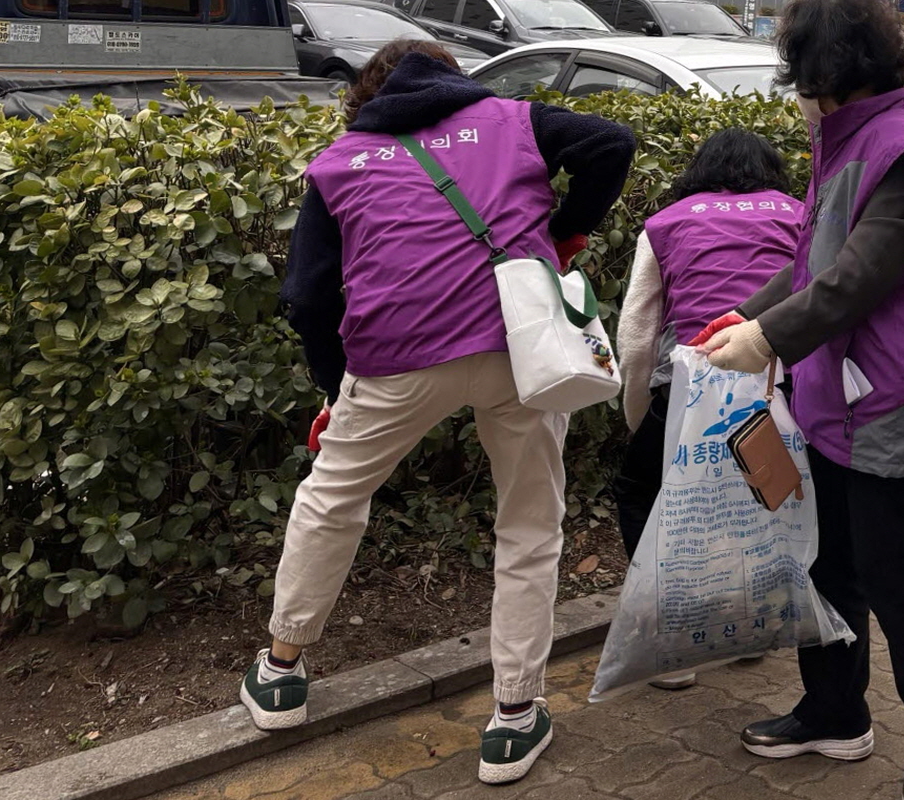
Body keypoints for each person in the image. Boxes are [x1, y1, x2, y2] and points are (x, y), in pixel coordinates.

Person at [249, 40, 634, 786]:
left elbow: (305, 297)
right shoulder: (510, 119)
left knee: (332, 499)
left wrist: (336, 389)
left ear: (366, 97)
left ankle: (280, 671)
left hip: (395, 357)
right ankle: (515, 717)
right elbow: (610, 143)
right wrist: (562, 237)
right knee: (528, 524)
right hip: (520, 351)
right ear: (453, 82)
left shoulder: (340, 162)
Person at [695, 0, 904, 800]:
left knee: (898, 574)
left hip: (893, 400)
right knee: (824, 566)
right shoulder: (845, 138)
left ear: (838, 71)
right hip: (832, 397)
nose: (804, 96)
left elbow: (859, 277)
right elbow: (813, 262)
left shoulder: (902, 150)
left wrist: (764, 339)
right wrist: (744, 314)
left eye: (809, 77)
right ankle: (834, 712)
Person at [608, 127, 803, 688]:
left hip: (694, 382)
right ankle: (751, 626)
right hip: (778, 376)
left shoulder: (669, 221)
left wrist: (641, 410)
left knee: (645, 489)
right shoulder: (796, 213)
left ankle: (670, 639)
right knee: (757, 495)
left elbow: (638, 331)